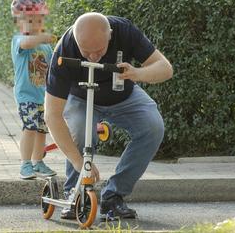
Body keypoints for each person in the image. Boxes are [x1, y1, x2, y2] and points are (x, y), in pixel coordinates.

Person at [45, 12, 173, 219]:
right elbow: (52, 116)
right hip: (81, 98)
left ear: (110, 36)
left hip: (124, 95)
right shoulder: (64, 49)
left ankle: (114, 196)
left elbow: (165, 69)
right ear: (76, 40)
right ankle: (75, 193)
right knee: (80, 129)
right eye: (86, 52)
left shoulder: (125, 31)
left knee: (153, 126)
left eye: (99, 51)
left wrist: (137, 73)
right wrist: (79, 162)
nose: (93, 57)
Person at [10, 0, 57, 179]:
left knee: (41, 130)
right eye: (30, 21)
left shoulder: (46, 47)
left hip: (43, 95)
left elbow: (53, 67)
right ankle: (25, 164)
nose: (35, 25)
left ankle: (38, 162)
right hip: (26, 95)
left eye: (38, 21)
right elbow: (28, 43)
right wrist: (41, 37)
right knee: (29, 128)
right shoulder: (19, 41)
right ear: (20, 22)